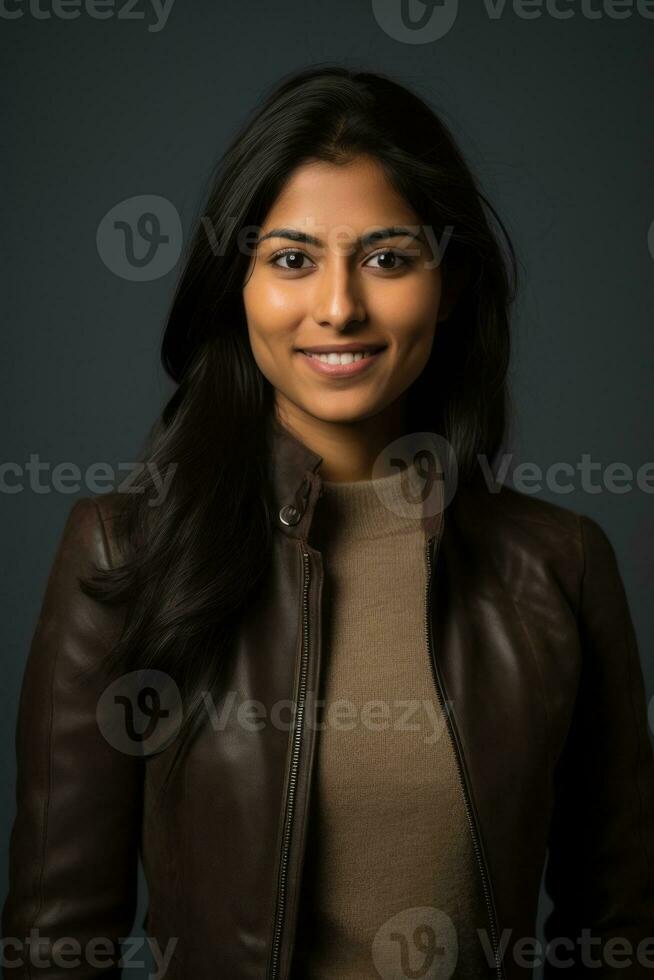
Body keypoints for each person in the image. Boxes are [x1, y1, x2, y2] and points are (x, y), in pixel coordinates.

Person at [3, 64, 654, 980]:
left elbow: (619, 930)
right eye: (292, 259)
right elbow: (55, 941)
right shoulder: (126, 551)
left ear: (451, 282)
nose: (340, 306)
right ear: (239, 283)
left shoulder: (558, 567)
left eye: (388, 258)